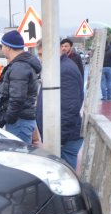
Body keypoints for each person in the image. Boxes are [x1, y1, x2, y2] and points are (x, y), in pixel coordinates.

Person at [35, 41, 85, 169]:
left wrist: (58, 140)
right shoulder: (58, 68)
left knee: (65, 177)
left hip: (64, 139)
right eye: (39, 55)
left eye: (43, 55)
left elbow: (70, 108)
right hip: (61, 136)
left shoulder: (64, 70)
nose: (41, 59)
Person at [0, 30, 41, 144]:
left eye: (2, 46)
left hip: (19, 122)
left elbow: (17, 99)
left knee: (19, 158)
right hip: (20, 120)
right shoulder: (21, 65)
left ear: (8, 47)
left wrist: (6, 118)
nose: (2, 49)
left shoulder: (19, 67)